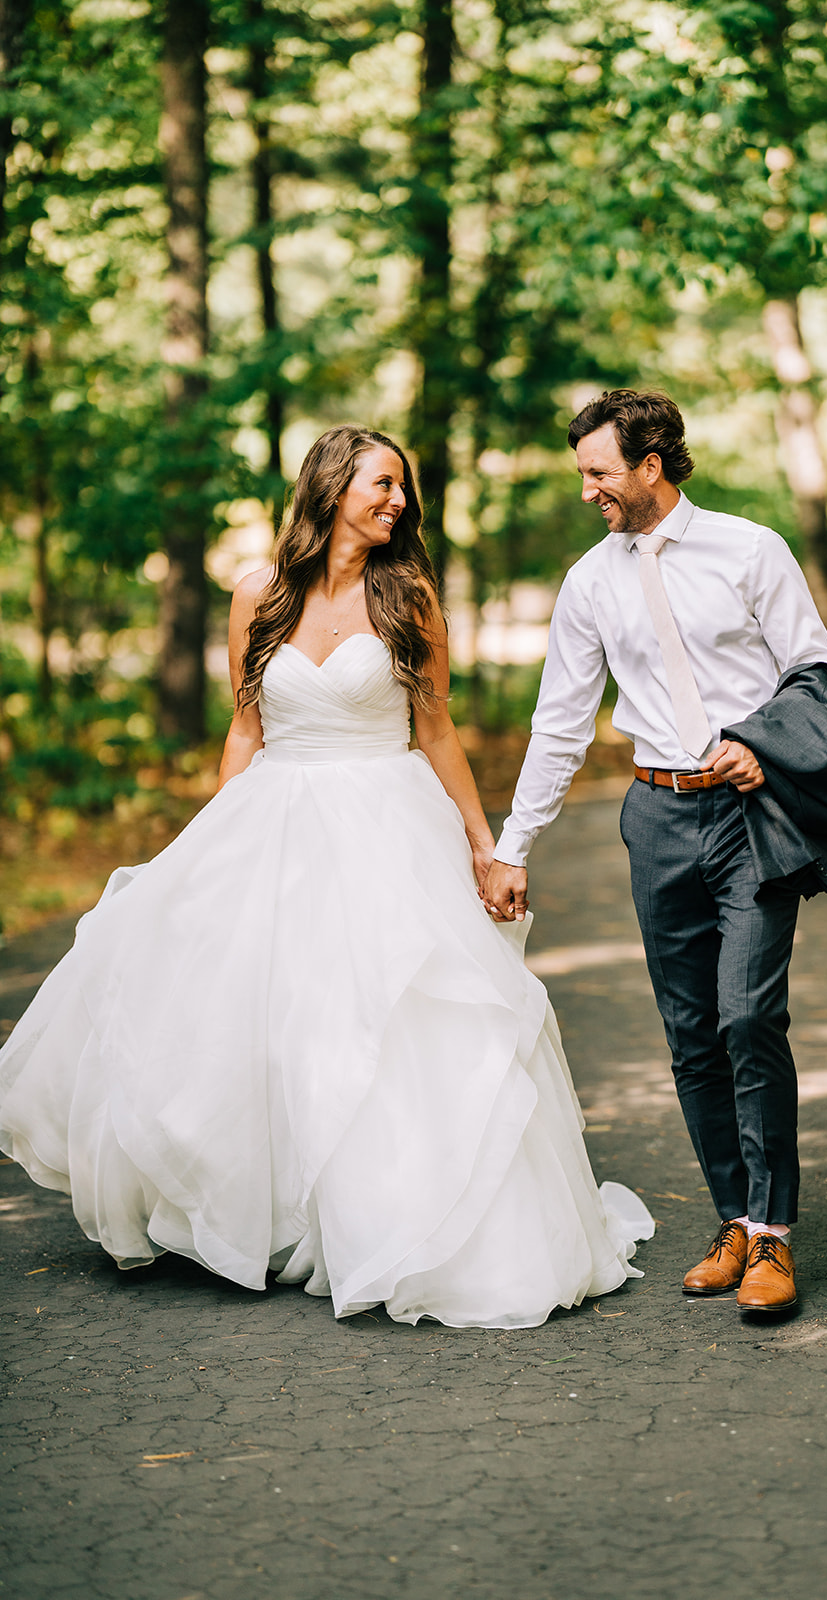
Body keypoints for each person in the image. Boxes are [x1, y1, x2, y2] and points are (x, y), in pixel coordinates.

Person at [0, 425, 652, 1329]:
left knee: (388, 1021)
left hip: (388, 823)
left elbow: (434, 731)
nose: (398, 502)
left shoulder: (408, 597)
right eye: (382, 484)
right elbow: (244, 730)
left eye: (403, 490)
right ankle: (275, 1218)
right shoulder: (256, 594)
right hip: (274, 818)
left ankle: (394, 1220)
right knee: (269, 1017)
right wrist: (208, 847)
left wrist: (483, 844)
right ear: (330, 486)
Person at [482, 389, 827, 1314]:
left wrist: (759, 742)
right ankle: (735, 1222)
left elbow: (813, 671)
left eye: (598, 472)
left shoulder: (749, 550)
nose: (588, 490)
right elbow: (558, 724)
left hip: (749, 814)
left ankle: (776, 1238)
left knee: (747, 1016)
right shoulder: (589, 582)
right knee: (692, 1037)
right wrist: (513, 846)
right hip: (654, 817)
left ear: (651, 465)